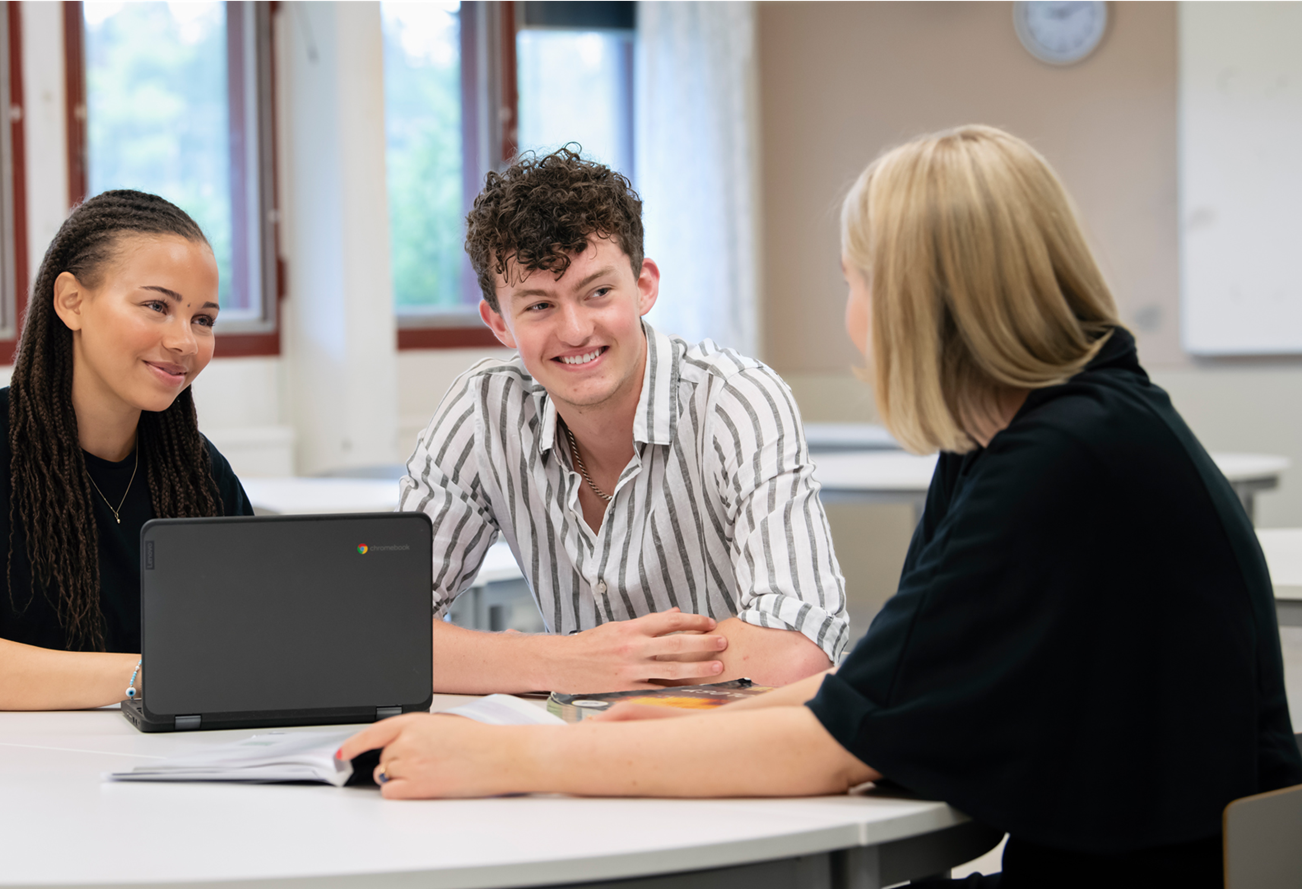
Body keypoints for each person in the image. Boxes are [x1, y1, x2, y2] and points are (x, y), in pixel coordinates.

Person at [344, 126, 1302, 885]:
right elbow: (882, 691)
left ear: (922, 298)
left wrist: (516, 759)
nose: (851, 312)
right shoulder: (1040, 435)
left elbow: (838, 736)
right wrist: (659, 720)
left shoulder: (1066, 464)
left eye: (854, 281)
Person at [406, 147, 848, 693]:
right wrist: (563, 662)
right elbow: (379, 631)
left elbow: (798, 647)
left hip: (733, 748)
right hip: (574, 752)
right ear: (498, 323)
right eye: (539, 306)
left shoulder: (735, 400)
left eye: (597, 292)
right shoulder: (484, 411)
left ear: (644, 287)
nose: (574, 330)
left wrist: (608, 669)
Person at [0, 190, 252, 711]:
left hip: (141, 772)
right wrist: (150, 674)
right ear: (72, 301)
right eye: (157, 306)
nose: (185, 342)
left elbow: (250, 650)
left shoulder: (198, 472)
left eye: (203, 319)